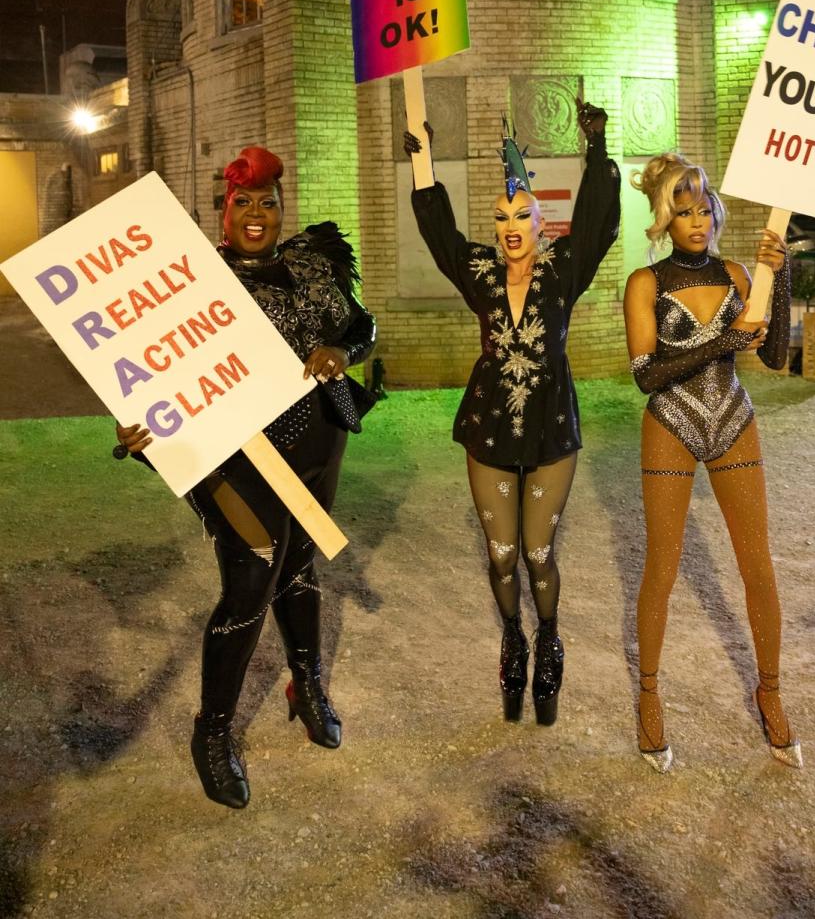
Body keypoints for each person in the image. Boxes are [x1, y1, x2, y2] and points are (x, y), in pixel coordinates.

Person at [115, 146, 376, 808]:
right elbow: (142, 372)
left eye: (268, 201)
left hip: (319, 438)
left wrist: (340, 350)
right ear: (221, 211)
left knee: (299, 564)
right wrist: (136, 424)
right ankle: (213, 730)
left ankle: (306, 683)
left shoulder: (315, 266)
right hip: (236, 452)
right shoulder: (183, 284)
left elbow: (365, 325)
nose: (257, 214)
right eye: (243, 203)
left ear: (282, 208)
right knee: (251, 576)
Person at [404, 100, 620, 724]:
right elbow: (442, 239)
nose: (509, 225)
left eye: (521, 214)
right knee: (501, 554)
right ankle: (513, 636)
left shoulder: (562, 270)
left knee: (538, 554)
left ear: (539, 219)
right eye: (501, 217)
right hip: (491, 427)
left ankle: (548, 635)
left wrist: (597, 146)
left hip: (551, 426)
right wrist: (423, 163)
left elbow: (598, 220)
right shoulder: (479, 271)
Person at [623, 152, 799, 772]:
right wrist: (723, 341)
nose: (696, 220)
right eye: (683, 210)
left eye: (703, 208)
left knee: (759, 566)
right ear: (664, 218)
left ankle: (771, 691)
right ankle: (648, 693)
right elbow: (646, 375)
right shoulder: (646, 284)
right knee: (662, 569)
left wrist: (782, 280)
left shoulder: (734, 274)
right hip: (669, 424)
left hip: (734, 422)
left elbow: (776, 356)